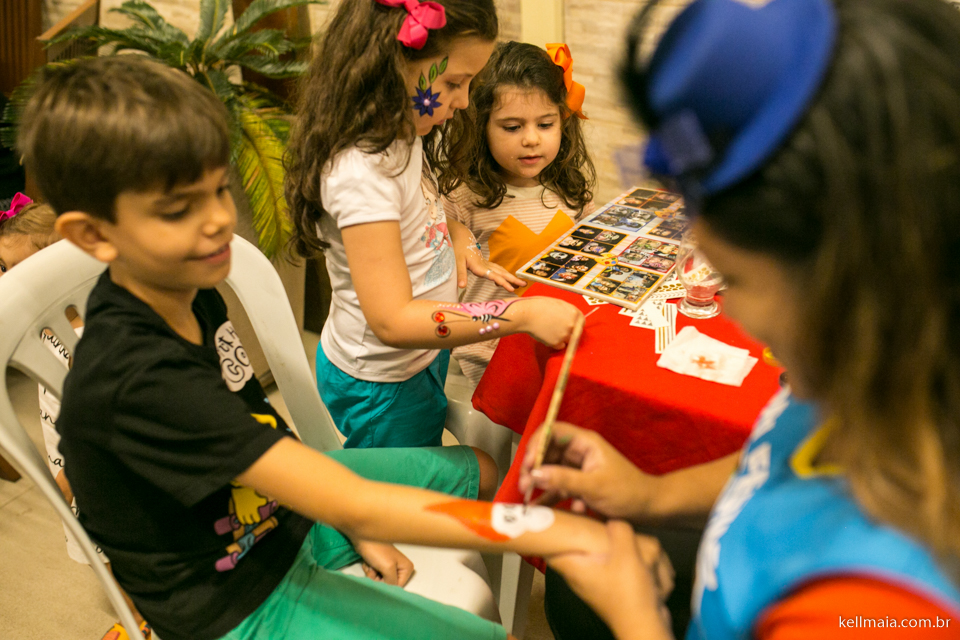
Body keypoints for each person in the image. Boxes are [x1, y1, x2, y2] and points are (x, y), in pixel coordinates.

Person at [16, 54, 650, 640]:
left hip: (273, 514)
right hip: (237, 597)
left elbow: (259, 425)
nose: (217, 221)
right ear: (93, 235)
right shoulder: (137, 376)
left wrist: (350, 523)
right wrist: (556, 530)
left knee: (486, 473)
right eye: (178, 209)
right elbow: (346, 494)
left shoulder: (190, 286)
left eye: (216, 191)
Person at [520, 0, 960, 638]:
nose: (726, 306)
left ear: (856, 286)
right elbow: (780, 455)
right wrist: (652, 493)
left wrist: (636, 618)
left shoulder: (871, 609)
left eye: (733, 279)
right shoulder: (869, 382)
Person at [285, 0, 582, 448]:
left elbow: (421, 208)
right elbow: (393, 321)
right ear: (395, 65)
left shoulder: (402, 130)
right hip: (384, 381)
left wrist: (456, 232)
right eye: (455, 83)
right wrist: (518, 314)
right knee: (399, 503)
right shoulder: (362, 174)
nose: (464, 102)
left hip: (423, 353)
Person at [0, 196, 150, 640]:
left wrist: (63, 485)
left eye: (14, 270)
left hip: (97, 470)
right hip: (67, 460)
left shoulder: (92, 336)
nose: (5, 282)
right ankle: (133, 619)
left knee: (129, 544)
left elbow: (103, 422)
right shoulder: (39, 326)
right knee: (100, 554)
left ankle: (151, 614)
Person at [438, 41, 597, 384]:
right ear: (481, 127)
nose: (531, 140)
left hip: (560, 349)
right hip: (490, 355)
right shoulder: (462, 199)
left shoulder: (572, 191)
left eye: (545, 124)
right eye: (512, 127)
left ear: (563, 122)